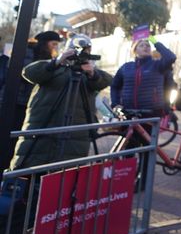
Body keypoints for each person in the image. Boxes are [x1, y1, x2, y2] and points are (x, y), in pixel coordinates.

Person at [8, 35, 112, 170]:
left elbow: (107, 80)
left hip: (74, 139)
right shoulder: (53, 67)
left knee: (65, 179)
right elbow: (28, 73)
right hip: (42, 132)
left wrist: (92, 73)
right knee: (28, 172)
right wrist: (56, 62)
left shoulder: (88, 74)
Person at [110, 37, 177, 115]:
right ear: (135, 50)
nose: (145, 47)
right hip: (128, 112)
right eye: (141, 45)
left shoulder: (157, 65)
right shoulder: (126, 67)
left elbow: (171, 57)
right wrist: (116, 103)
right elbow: (115, 86)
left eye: (148, 46)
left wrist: (155, 43)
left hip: (152, 113)